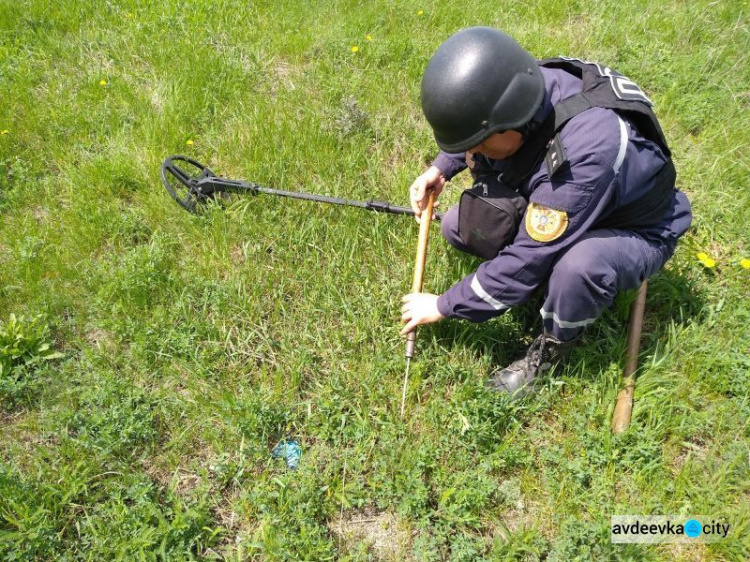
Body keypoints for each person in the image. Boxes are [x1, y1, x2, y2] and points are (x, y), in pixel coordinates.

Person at [400, 27, 692, 396]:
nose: (478, 152)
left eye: (481, 145)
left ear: (511, 120)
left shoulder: (587, 150)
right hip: (579, 196)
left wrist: (443, 305)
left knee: (578, 267)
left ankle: (552, 351)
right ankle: (548, 274)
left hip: (635, 228)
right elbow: (483, 126)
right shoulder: (518, 85)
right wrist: (440, 168)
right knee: (460, 226)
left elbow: (526, 261)